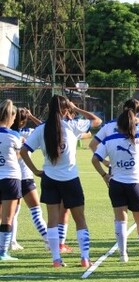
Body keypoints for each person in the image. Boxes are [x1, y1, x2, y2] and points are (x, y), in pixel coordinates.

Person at [21, 95, 102, 268]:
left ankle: (56, 260)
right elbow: (97, 120)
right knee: (80, 219)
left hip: (49, 179)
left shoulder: (41, 129)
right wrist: (77, 108)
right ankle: (85, 258)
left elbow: (23, 151)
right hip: (70, 179)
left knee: (52, 219)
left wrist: (35, 170)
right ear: (66, 110)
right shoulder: (71, 125)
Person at [90, 98, 139, 253]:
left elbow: (93, 145)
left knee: (120, 215)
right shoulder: (137, 128)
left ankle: (124, 251)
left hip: (115, 173)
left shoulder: (109, 127)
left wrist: (105, 163)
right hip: (135, 174)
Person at [9, 108, 46, 251]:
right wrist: (32, 117)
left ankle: (12, 242)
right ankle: (48, 240)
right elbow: (43, 126)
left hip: (11, 178)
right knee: (36, 211)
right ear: (23, 122)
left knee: (13, 213)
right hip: (25, 177)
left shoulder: (8, 134)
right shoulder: (26, 134)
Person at [0, 100, 21, 261]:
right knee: (8, 217)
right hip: (11, 178)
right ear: (11, 116)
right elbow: (18, 156)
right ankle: (3, 252)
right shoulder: (14, 135)